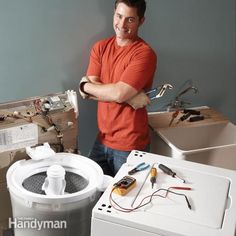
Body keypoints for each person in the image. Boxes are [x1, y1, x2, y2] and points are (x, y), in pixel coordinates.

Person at [79, 0, 157, 176]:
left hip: (130, 144)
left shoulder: (144, 54)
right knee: (94, 190)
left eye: (130, 19)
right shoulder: (100, 48)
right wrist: (125, 96)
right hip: (102, 139)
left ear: (141, 21)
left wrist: (86, 86)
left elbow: (113, 92)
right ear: (113, 13)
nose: (122, 24)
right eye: (119, 16)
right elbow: (94, 91)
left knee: (125, 200)